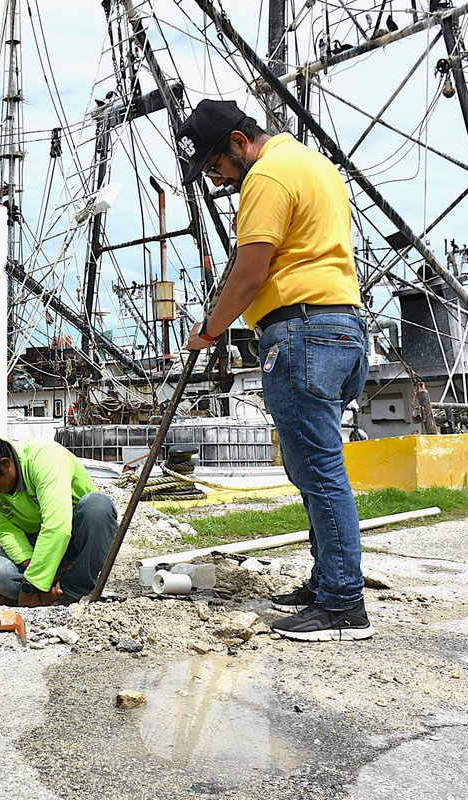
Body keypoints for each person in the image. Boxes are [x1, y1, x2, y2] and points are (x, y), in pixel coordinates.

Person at [175, 99, 373, 642]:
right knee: (314, 466)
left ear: (239, 144)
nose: (218, 180)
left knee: (319, 470)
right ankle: (328, 580)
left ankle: (342, 606)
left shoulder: (265, 176)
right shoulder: (314, 164)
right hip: (343, 327)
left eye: (216, 166)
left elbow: (251, 270)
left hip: (301, 332)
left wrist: (210, 329)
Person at [0, 431, 117, 606]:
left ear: (5, 464)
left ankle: (72, 589)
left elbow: (57, 526)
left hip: (75, 532)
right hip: (35, 541)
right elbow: (3, 529)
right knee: (1, 575)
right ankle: (55, 580)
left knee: (98, 507)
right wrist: (32, 568)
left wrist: (32, 585)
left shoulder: (44, 457)